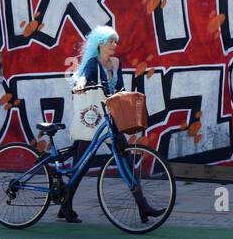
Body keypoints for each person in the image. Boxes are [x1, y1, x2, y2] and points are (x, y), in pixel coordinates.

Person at [59, 27, 165, 224]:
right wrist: (81, 84)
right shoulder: (93, 63)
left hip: (110, 120)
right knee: (81, 165)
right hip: (91, 121)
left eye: (116, 41)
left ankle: (143, 206)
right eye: (111, 41)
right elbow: (83, 77)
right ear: (100, 44)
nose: (115, 45)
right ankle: (66, 206)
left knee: (125, 158)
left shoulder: (116, 63)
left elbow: (119, 88)